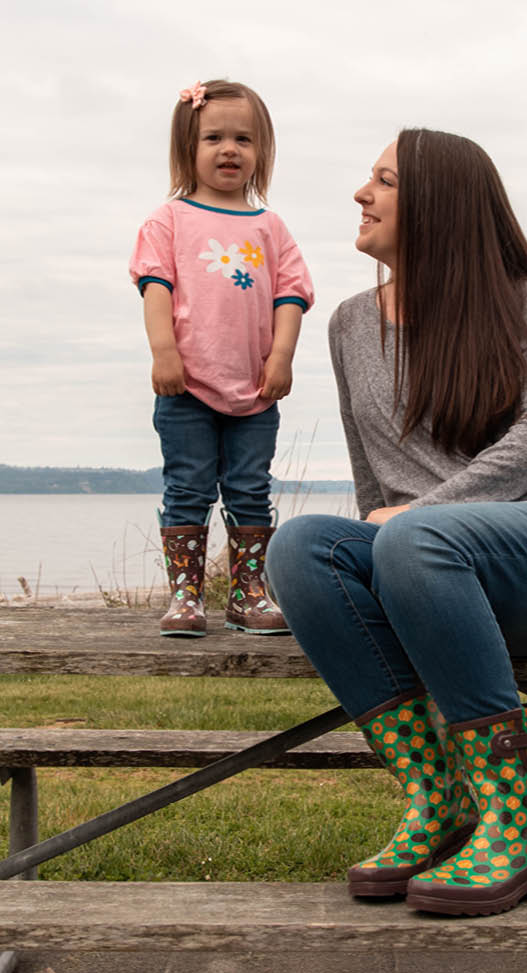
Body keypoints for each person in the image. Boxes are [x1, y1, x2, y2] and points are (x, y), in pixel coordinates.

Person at [266, 129, 527, 917]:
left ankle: (519, 825)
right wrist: (397, 532)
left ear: (439, 204)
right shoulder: (349, 325)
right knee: (299, 547)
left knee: (410, 536)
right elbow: (374, 477)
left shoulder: (515, 299)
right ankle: (439, 801)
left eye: (385, 180)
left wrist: (419, 521)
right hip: (427, 568)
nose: (362, 194)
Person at [129, 79, 313, 638]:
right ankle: (186, 595)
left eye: (243, 139)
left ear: (263, 151)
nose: (229, 149)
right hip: (185, 387)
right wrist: (164, 353)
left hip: (254, 390)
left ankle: (248, 593)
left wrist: (281, 358)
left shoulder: (269, 226)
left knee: (249, 487)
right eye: (213, 137)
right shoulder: (169, 220)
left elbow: (291, 295)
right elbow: (156, 287)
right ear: (189, 147)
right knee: (187, 486)